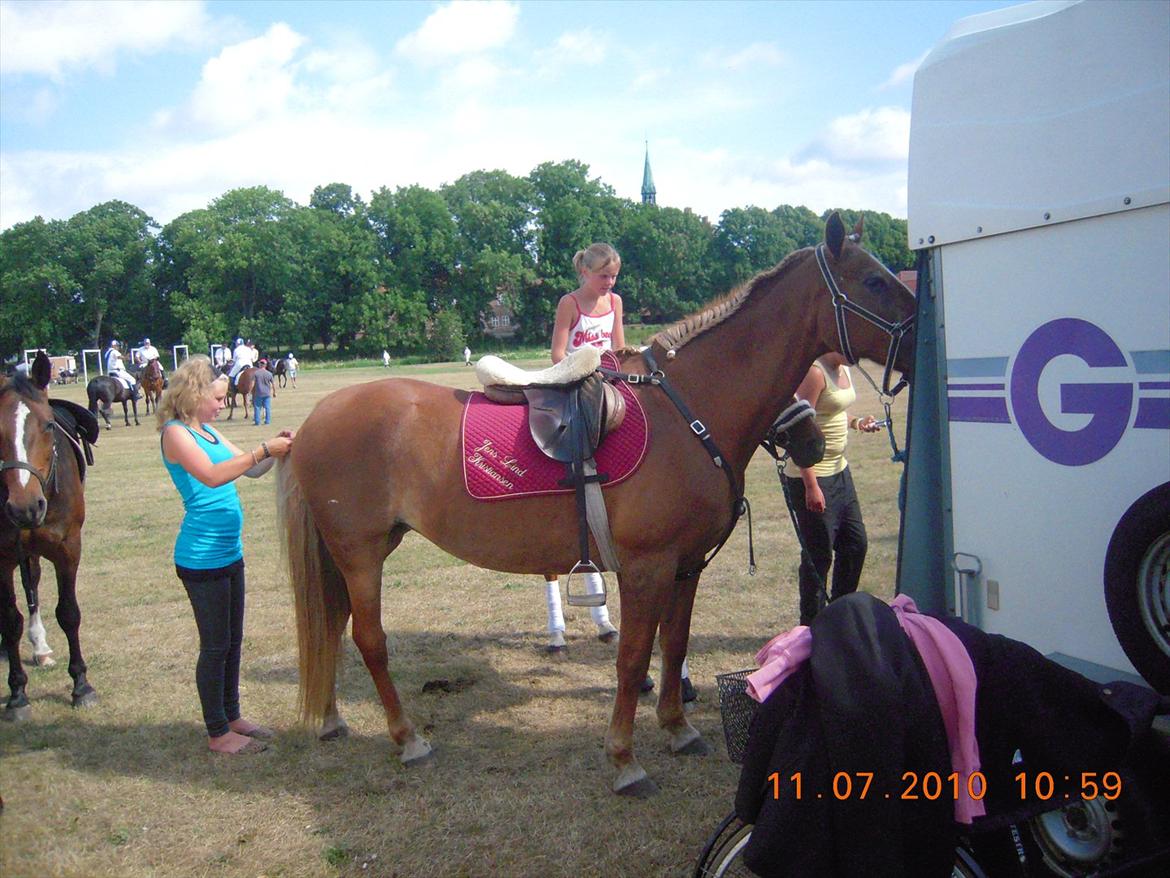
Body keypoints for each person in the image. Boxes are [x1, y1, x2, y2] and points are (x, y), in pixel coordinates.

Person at [544, 243, 693, 698]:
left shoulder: (616, 303)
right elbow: (556, 352)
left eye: (613, 278)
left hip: (611, 380)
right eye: (603, 277)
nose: (609, 285)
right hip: (575, 380)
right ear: (586, 273)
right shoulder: (570, 303)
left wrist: (623, 368)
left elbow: (620, 346)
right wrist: (582, 369)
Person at [158, 355, 294, 754]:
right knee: (215, 644)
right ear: (194, 395)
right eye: (217, 398)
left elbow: (252, 471)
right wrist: (262, 448)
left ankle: (233, 715)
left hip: (229, 554)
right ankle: (218, 732)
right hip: (201, 559)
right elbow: (213, 475)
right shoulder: (176, 434)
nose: (222, 404)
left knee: (233, 641)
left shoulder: (211, 433)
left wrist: (275, 451)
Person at [784, 353, 883, 626]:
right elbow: (797, 427)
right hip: (814, 476)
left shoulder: (844, 369)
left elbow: (833, 409)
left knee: (855, 544)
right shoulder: (815, 373)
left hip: (841, 472)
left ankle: (839, 615)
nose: (857, 355)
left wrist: (856, 422)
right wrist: (811, 485)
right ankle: (811, 627)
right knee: (819, 556)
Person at [252, 358, 274, 426]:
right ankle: (267, 421)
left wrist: (251, 392)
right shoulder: (269, 374)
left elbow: (253, 384)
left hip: (258, 393)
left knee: (257, 408)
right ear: (265, 365)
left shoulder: (256, 373)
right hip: (267, 393)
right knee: (267, 407)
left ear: (260, 364)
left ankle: (257, 422)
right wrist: (274, 392)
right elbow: (273, 384)